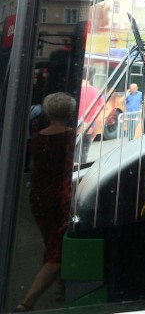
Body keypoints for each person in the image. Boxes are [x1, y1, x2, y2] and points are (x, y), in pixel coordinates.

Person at [16, 93, 77, 312]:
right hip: (61, 197)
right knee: (57, 250)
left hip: (39, 197)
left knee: (51, 241)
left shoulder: (38, 137)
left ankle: (61, 290)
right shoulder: (70, 137)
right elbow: (70, 167)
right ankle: (28, 301)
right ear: (70, 113)